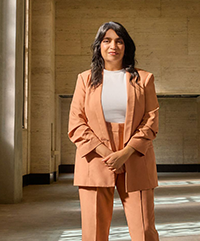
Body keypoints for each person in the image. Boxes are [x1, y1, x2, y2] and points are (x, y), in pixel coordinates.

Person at [68, 21, 160, 241]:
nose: (113, 46)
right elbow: (76, 123)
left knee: (144, 230)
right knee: (94, 232)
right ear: (99, 45)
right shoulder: (85, 79)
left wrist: (125, 153)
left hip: (136, 157)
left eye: (119, 41)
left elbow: (151, 121)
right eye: (107, 40)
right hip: (94, 158)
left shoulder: (145, 79)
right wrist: (106, 153)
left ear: (126, 45)